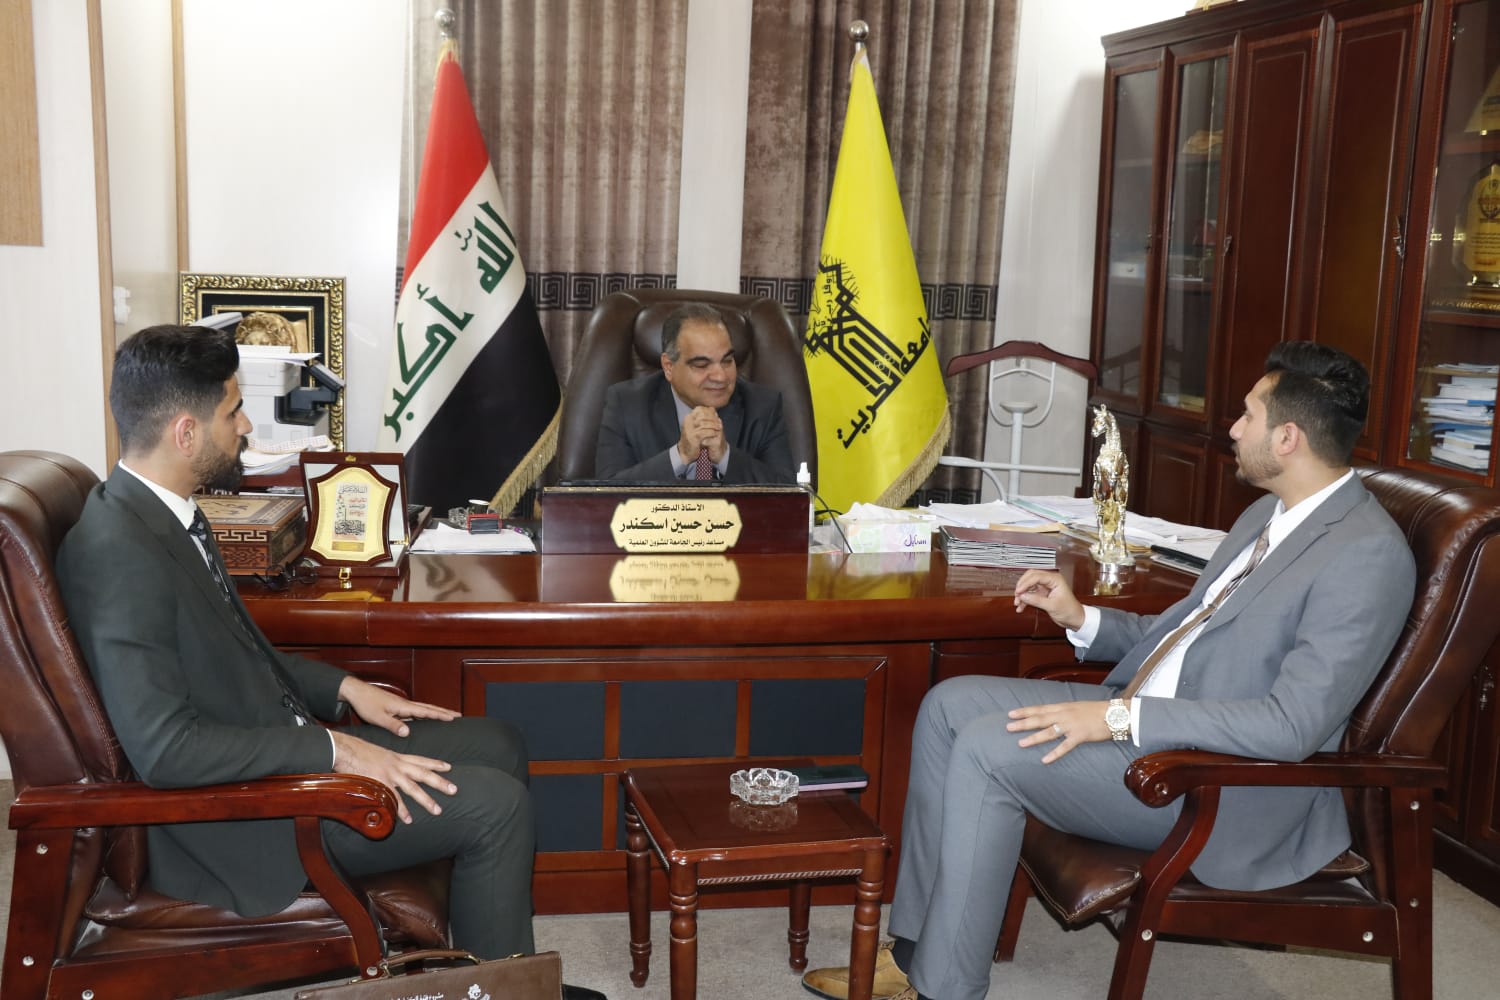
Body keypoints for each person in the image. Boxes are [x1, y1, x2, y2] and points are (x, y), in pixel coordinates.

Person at [801, 342, 1416, 1000]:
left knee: (987, 750)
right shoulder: (1268, 513)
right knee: (950, 705)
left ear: (1288, 438)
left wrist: (1119, 717)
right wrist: (1082, 617)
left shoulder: (1365, 555)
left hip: (1220, 787)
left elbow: (1291, 727)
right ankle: (916, 951)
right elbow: (1186, 637)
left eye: (1248, 415)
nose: (1234, 429)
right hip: (1154, 727)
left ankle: (946, 989)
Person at [56, 324, 604, 1000]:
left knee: (498, 743)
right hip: (239, 822)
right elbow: (168, 751)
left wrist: (347, 689)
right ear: (185, 432)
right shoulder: (118, 552)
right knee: (496, 808)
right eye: (233, 411)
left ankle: (488, 973)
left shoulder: (161, 514)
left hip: (273, 751)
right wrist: (336, 751)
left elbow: (237, 656)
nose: (246, 426)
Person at [594, 303, 796, 482]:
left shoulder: (763, 408)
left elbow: (789, 496)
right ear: (669, 367)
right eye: (701, 365)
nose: (720, 377)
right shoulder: (626, 404)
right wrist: (680, 456)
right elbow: (607, 493)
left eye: (727, 361)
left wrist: (726, 457)